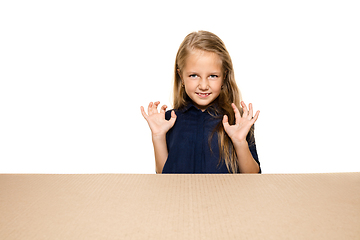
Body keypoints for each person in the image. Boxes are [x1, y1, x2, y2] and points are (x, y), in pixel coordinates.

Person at [140, 30, 260, 174]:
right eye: (194, 75)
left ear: (224, 76)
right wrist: (158, 137)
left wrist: (240, 142)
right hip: (181, 197)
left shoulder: (238, 121)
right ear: (181, 76)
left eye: (213, 76)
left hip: (225, 197)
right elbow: (164, 176)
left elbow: (253, 178)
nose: (203, 85)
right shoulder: (168, 121)